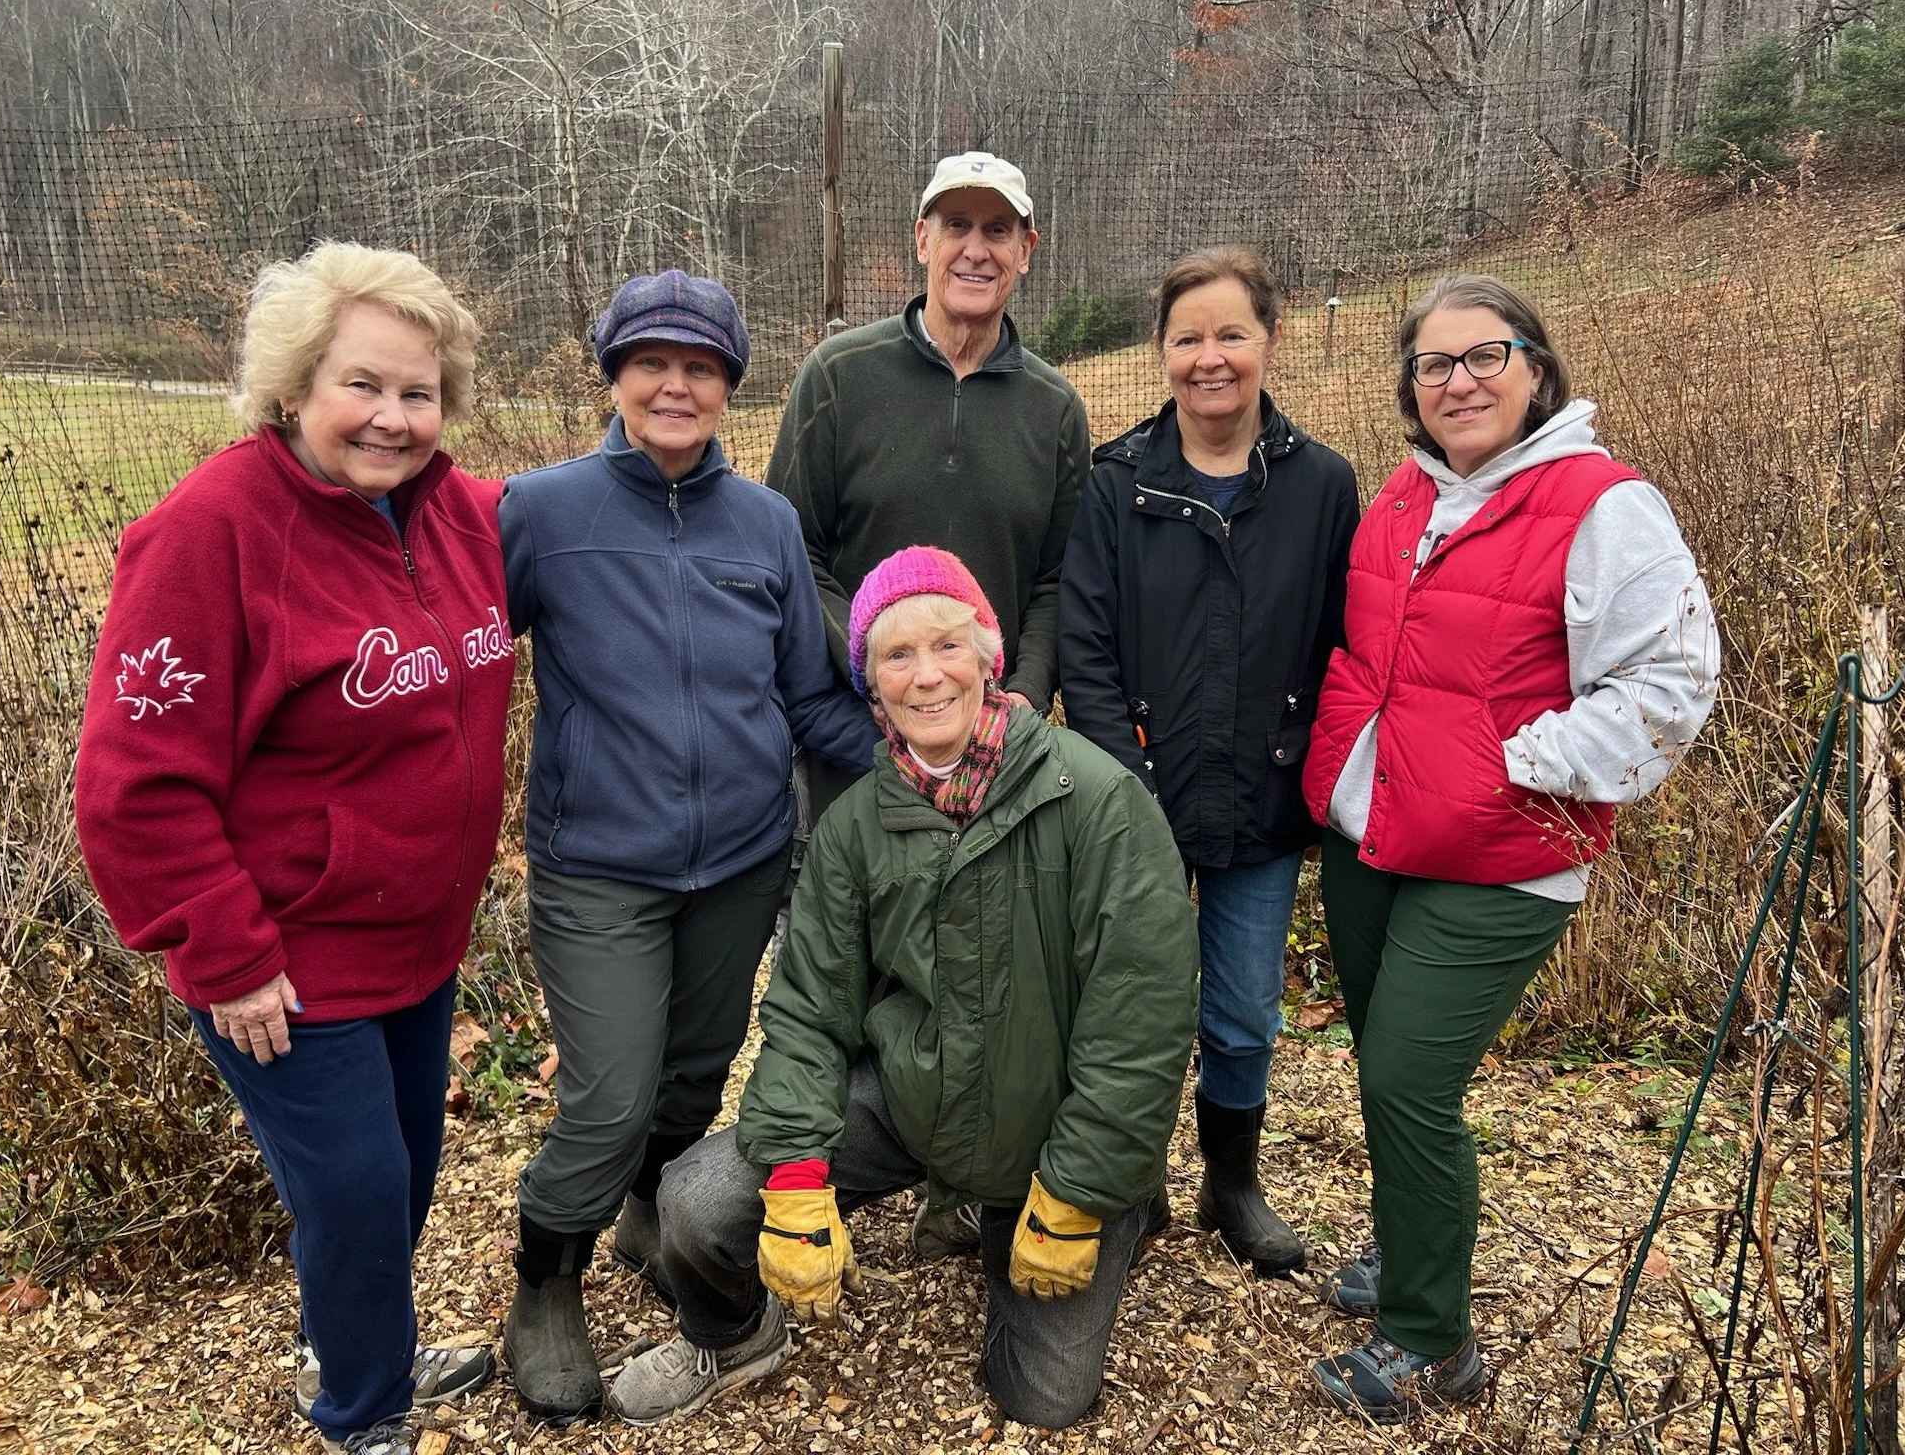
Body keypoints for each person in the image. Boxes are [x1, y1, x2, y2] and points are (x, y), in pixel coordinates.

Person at [74, 242, 509, 1455]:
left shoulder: (454, 516)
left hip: (416, 937)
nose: (391, 417)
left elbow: (577, 523)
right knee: (358, 1189)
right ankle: (362, 1413)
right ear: (293, 385)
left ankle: (349, 1328)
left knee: (409, 1170)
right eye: (361, 384)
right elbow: (130, 784)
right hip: (285, 959)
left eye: (417, 392)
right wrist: (220, 948)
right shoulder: (208, 535)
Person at [604, 546, 1198, 1431]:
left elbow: (1142, 1020)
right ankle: (732, 1336)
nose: (928, 678)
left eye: (948, 646)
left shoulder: (1101, 800)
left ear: (990, 656)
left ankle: (1113, 1202)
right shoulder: (852, 828)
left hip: (1050, 1119)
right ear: (870, 688)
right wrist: (800, 1172)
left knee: (1043, 1398)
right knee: (694, 1202)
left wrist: (1081, 1184)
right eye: (896, 656)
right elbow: (808, 1009)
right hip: (914, 1096)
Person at [1299, 274, 1719, 1423]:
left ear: (1534, 367)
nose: (1457, 382)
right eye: (1432, 365)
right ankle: (1408, 1255)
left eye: (1483, 356)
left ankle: (1433, 1341)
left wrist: (1518, 766)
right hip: (1375, 833)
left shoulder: (1599, 502)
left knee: (1406, 1078)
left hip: (1498, 853)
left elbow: (1672, 683)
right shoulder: (1403, 495)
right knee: (1382, 1071)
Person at [496, 270, 881, 1424]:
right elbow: (455, 659)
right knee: (607, 1097)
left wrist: (926, 763)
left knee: (697, 1071)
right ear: (612, 373)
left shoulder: (764, 524)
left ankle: (646, 1209)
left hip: (743, 860)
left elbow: (809, 697)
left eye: (700, 366)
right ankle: (544, 1284)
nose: (675, 384)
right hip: (599, 865)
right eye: (650, 361)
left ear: (727, 388)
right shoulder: (541, 511)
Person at [767, 151, 1091, 1256]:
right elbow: (789, 545)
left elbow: (1055, 575)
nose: (975, 247)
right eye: (954, 224)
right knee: (854, 954)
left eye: (998, 230)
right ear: (917, 240)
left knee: (988, 958)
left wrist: (1024, 698)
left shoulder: (1051, 406)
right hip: (859, 739)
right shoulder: (838, 375)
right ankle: (833, 1167)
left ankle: (968, 1177)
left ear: (1026, 253)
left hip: (993, 744)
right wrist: (874, 673)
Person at [1058, 246, 1359, 1276]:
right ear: (1159, 352)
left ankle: (1230, 1182)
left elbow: (1338, 643)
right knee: (1127, 1000)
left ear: (1268, 341)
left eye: (1230, 333)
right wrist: (1120, 781)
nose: (1209, 357)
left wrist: (1313, 770)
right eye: (1187, 337)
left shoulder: (1319, 485)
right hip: (1134, 790)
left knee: (1238, 1006)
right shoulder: (1113, 481)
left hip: (1261, 792)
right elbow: (1085, 653)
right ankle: (1128, 1181)